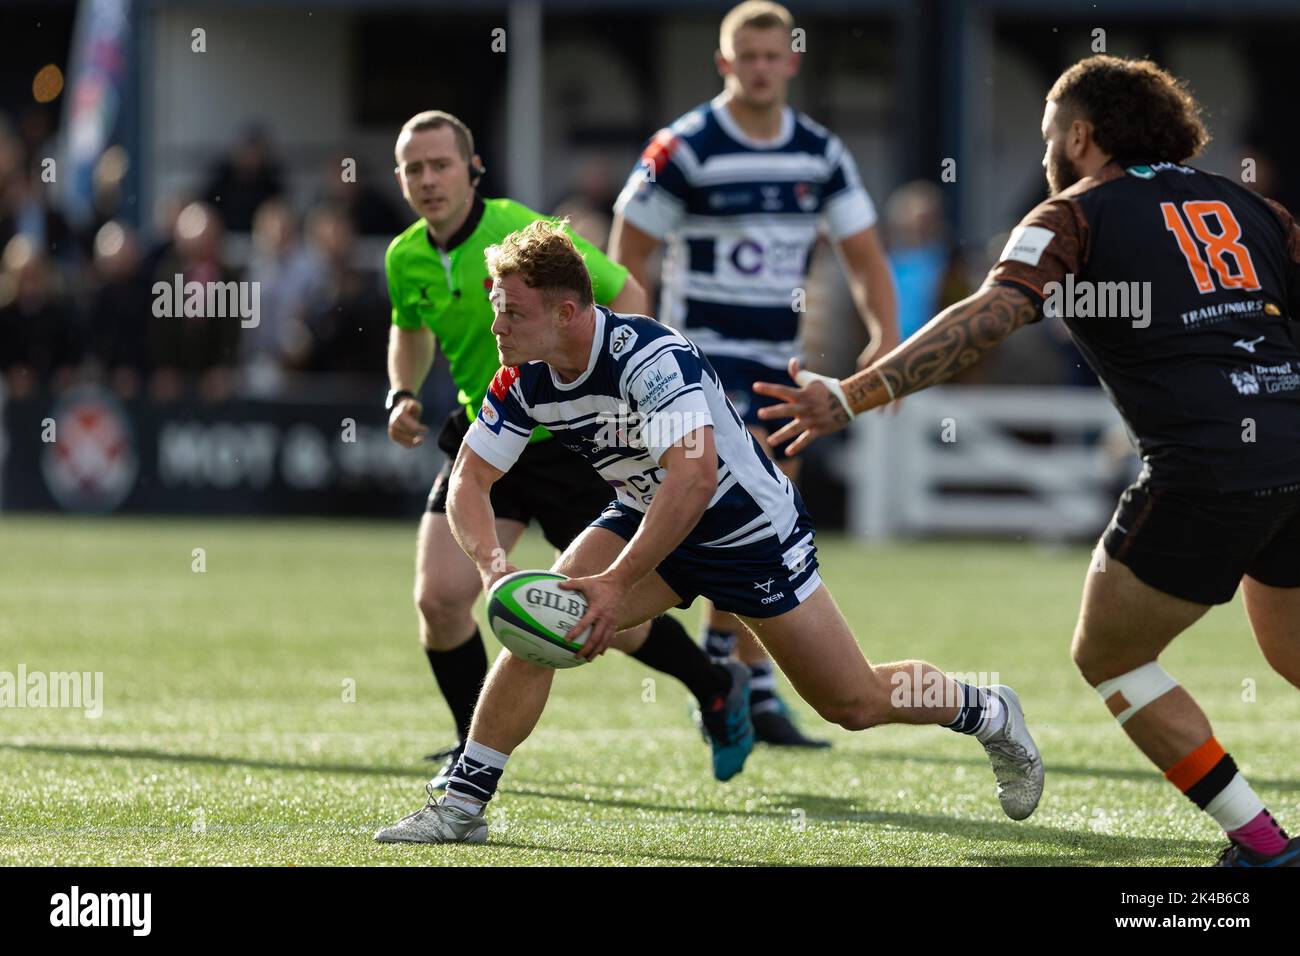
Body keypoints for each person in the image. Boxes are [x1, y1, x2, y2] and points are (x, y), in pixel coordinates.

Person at [755, 55, 1300, 867]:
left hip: (1206, 466)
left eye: (1050, 135)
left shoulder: (1071, 213)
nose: (1045, 152)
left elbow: (993, 312)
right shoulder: (1254, 206)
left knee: (1109, 657)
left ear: (1080, 136)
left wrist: (853, 394)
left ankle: (1260, 844)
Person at [373, 220, 1043, 844]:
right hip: (646, 512)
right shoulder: (522, 379)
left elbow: (693, 483)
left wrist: (615, 582)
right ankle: (464, 804)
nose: (497, 325)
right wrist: (493, 569)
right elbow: (469, 481)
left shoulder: (648, 358)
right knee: (544, 625)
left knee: (854, 702)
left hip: (745, 533)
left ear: (566, 313)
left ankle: (984, 709)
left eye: (512, 311)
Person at [383, 111, 754, 788]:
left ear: (473, 170)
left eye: (440, 165)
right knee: (441, 600)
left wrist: (634, 395)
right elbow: (408, 327)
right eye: (413, 168)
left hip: (571, 446)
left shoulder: (521, 237)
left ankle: (716, 686)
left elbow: (625, 293)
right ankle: (474, 750)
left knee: (598, 617)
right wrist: (401, 391)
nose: (427, 180)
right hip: (489, 436)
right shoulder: (404, 255)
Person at [608, 1, 899, 746]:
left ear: (792, 61)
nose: (762, 67)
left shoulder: (819, 152)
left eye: (774, 55)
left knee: (763, 517)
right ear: (724, 63)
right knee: (749, 512)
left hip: (778, 361)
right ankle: (743, 683)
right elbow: (627, 254)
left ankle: (730, 676)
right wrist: (636, 350)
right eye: (748, 55)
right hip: (698, 358)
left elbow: (863, 254)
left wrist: (886, 339)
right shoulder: (686, 147)